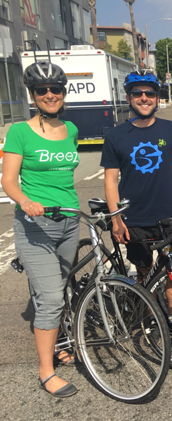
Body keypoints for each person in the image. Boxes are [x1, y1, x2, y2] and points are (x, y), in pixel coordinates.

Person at [1, 61, 79, 397]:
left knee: (59, 289)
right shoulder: (19, 131)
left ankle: (58, 343)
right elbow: (8, 181)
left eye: (55, 89)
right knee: (49, 297)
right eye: (42, 90)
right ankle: (46, 372)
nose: (49, 95)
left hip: (70, 221)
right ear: (33, 95)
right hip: (35, 224)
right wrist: (26, 201)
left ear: (63, 93)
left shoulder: (71, 129)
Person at [100, 70, 172, 340]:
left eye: (150, 93)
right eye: (137, 93)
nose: (144, 98)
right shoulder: (116, 135)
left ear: (157, 97)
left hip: (168, 216)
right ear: (128, 98)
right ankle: (152, 317)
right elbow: (110, 181)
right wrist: (116, 219)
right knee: (144, 272)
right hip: (133, 218)